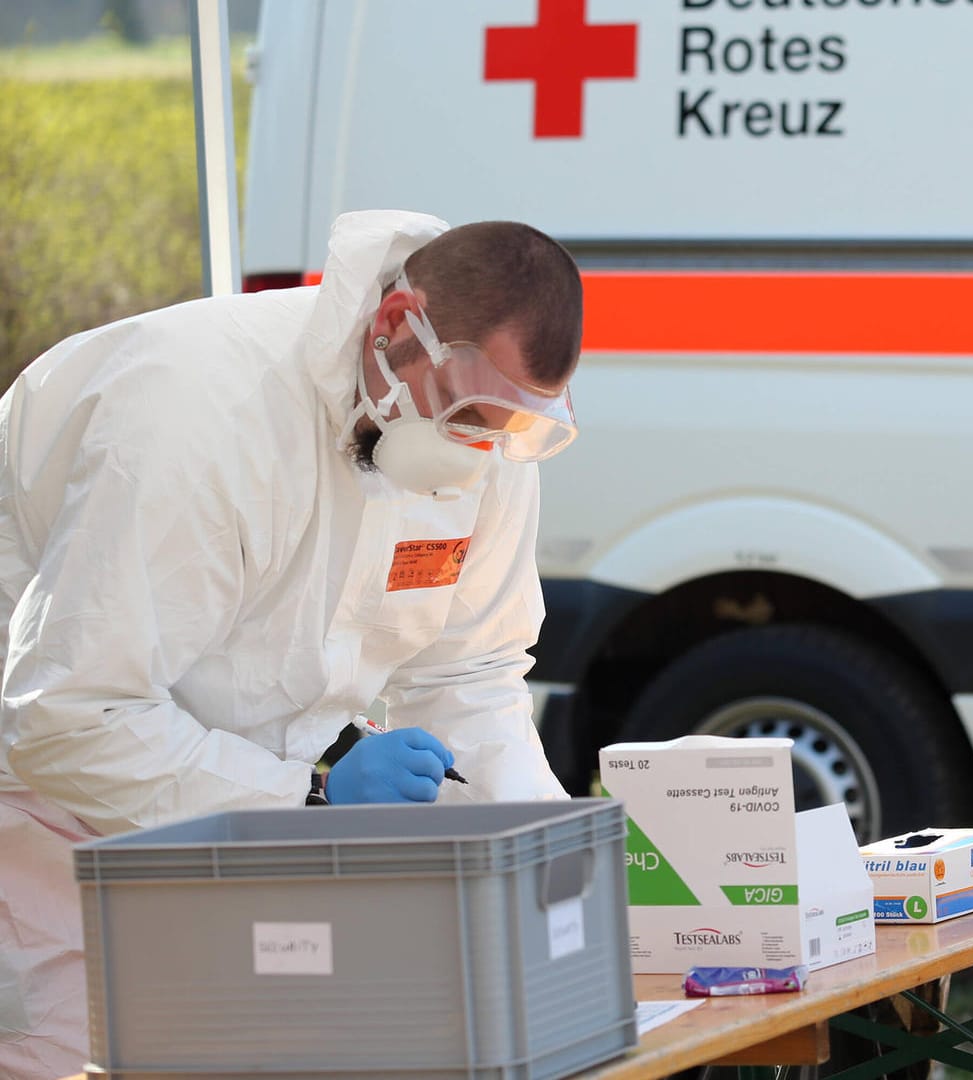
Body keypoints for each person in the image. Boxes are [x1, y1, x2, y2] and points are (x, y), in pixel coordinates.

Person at [0, 210, 585, 1078]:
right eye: (466, 412)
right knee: (82, 1047)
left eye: (511, 430)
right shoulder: (199, 418)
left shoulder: (491, 449)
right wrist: (305, 798)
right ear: (396, 326)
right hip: (39, 790)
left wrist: (550, 866)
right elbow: (69, 716)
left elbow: (473, 673)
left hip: (232, 789)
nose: (478, 454)